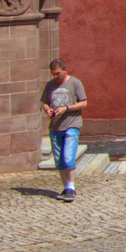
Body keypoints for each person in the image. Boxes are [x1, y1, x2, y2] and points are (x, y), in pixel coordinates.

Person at [40, 58, 86, 202]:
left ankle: (71, 187)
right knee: (59, 161)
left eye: (58, 73)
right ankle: (66, 187)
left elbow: (84, 103)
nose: (55, 76)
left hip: (71, 124)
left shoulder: (75, 83)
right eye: (53, 74)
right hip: (55, 127)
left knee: (68, 157)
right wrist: (48, 110)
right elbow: (45, 103)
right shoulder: (50, 85)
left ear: (65, 70)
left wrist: (66, 109)